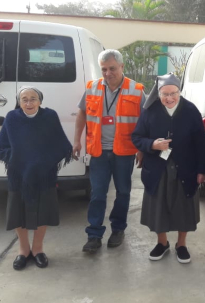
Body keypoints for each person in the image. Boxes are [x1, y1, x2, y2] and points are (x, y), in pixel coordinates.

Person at [73, 49, 145, 253]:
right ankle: (94, 234)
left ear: (122, 67)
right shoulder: (92, 88)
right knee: (98, 194)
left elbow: (145, 122)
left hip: (124, 152)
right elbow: (81, 115)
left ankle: (118, 229)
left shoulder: (137, 90)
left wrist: (142, 149)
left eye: (112, 68)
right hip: (98, 152)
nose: (107, 73)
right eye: (104, 69)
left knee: (123, 192)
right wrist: (76, 141)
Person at [132, 73, 205, 263]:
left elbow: (201, 143)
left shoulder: (191, 110)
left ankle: (181, 244)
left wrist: (202, 170)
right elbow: (137, 137)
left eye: (173, 93)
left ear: (179, 92)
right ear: (158, 94)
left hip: (186, 168)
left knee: (184, 207)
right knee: (158, 207)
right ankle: (162, 243)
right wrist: (152, 144)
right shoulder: (150, 111)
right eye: (165, 94)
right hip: (158, 168)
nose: (169, 98)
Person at [0, 86, 72, 270]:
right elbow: (0, 146)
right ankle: (23, 250)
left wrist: (44, 161)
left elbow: (62, 145)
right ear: (19, 102)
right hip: (18, 174)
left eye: (33, 98)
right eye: (24, 99)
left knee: (43, 210)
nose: (29, 103)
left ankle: (38, 249)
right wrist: (15, 159)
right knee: (18, 212)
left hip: (44, 174)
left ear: (40, 101)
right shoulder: (12, 118)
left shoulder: (50, 117)